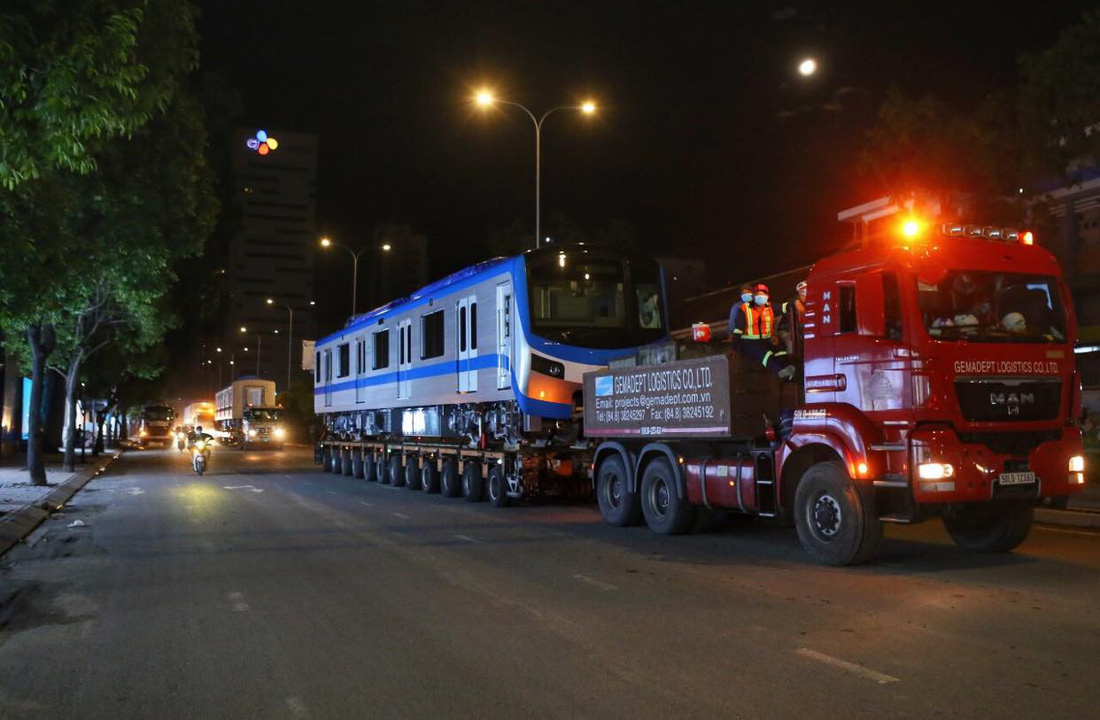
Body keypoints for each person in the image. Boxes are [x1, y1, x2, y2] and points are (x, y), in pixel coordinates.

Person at [729, 283, 796, 380]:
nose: (761, 297)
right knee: (766, 354)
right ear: (753, 296)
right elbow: (738, 330)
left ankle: (790, 372)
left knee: (780, 352)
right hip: (748, 342)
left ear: (767, 296)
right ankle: (782, 373)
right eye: (758, 294)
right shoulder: (744, 309)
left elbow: (784, 307)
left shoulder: (770, 307)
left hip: (765, 340)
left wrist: (795, 303)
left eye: (763, 294)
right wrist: (734, 348)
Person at [777, 279, 808, 355]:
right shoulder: (793, 305)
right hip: (786, 330)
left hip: (800, 331)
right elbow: (793, 326)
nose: (804, 294)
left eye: (806, 291)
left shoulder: (811, 303)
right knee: (790, 341)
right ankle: (793, 363)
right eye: (802, 292)